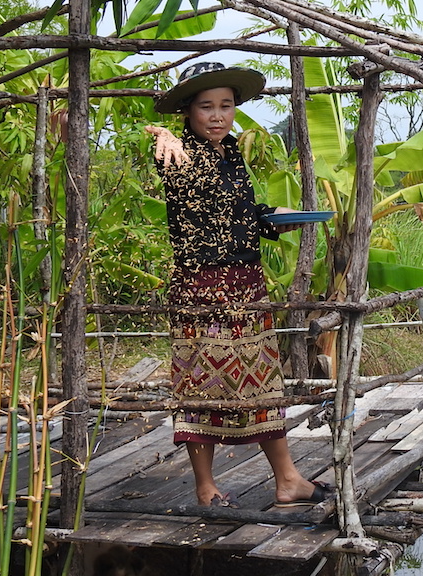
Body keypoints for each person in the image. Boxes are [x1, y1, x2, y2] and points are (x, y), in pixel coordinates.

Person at [146, 62, 328, 508]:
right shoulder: (176, 151)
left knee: (262, 382)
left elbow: (235, 212)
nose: (217, 115)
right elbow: (183, 182)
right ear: (187, 111)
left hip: (246, 282)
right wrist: (158, 135)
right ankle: (205, 487)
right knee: (202, 385)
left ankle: (287, 479)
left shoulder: (230, 152)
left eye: (225, 106)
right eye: (206, 106)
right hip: (201, 285)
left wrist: (270, 218)